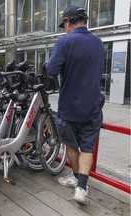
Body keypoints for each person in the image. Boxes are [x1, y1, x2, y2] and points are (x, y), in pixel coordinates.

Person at [46, 5, 105, 205]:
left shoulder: (64, 43)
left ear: (70, 21)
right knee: (87, 148)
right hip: (93, 107)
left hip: (70, 107)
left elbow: (52, 71)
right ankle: (81, 186)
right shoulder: (98, 42)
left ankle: (77, 179)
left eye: (64, 25)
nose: (64, 28)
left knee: (71, 144)